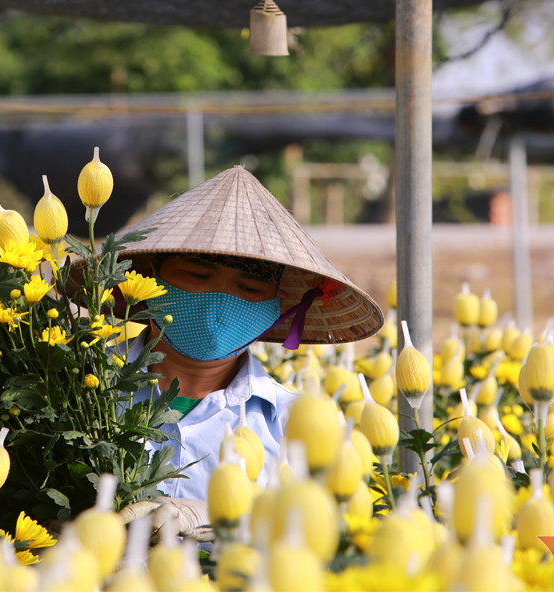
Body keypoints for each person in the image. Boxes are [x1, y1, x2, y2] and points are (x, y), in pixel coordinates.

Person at [106, 166, 384, 540]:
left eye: (250, 288)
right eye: (197, 276)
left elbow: (332, 529)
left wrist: (218, 519)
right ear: (149, 278)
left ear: (277, 310)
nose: (220, 303)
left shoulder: (293, 424)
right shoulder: (86, 391)